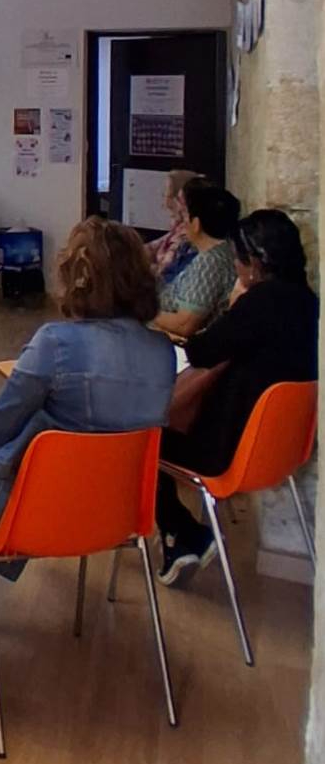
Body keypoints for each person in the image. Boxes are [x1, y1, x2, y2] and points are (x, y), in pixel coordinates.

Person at [0, 217, 175, 616]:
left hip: (39, 509)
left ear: (74, 276)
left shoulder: (56, 342)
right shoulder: (163, 351)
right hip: (119, 512)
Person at [155, 209, 319, 585]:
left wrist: (234, 301)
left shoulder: (261, 303)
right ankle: (182, 533)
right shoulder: (307, 303)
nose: (236, 267)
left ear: (256, 264)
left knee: (136, 433)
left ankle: (182, 533)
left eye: (238, 260)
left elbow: (200, 350)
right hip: (281, 450)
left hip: (225, 449)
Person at [151, 183, 241, 339]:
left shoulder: (210, 261)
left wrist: (144, 311)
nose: (182, 221)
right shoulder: (217, 253)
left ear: (196, 223)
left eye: (186, 215)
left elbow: (184, 325)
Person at [146, 170, 204, 285]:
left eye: (168, 194)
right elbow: (151, 248)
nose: (165, 200)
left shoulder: (188, 233)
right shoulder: (178, 227)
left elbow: (164, 272)